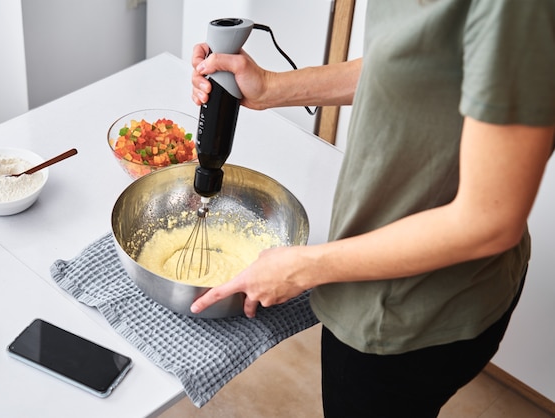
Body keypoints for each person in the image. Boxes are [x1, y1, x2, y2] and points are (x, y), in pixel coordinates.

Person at [189, 1, 555, 416]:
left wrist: (301, 269)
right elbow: (412, 61)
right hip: (391, 293)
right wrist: (273, 87)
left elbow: (489, 220)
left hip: (410, 317)